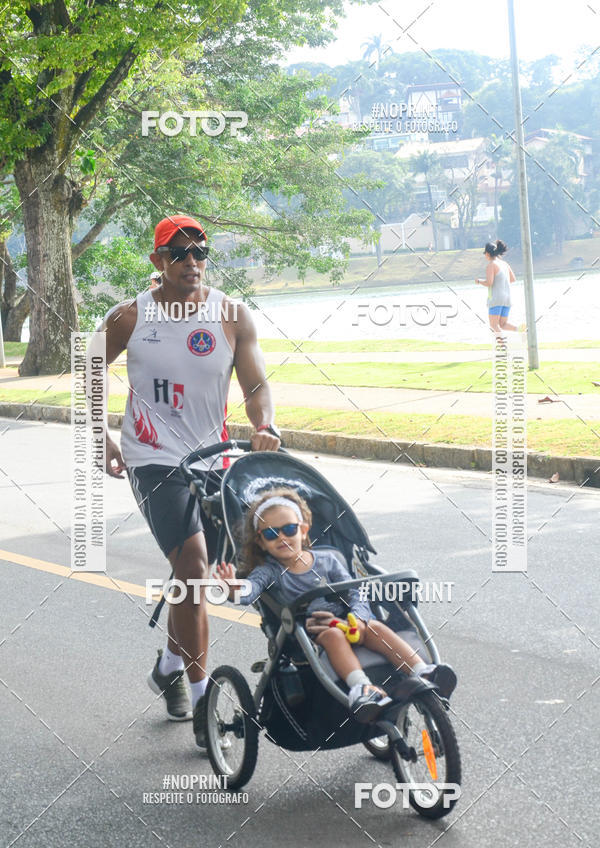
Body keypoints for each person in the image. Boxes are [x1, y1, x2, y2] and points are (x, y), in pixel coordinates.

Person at [99, 214, 280, 751]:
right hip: (152, 458)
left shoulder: (231, 315)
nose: (191, 262)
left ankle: (170, 666)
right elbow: (85, 372)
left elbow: (256, 385)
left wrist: (265, 424)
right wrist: (101, 436)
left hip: (214, 460)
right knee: (196, 568)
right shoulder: (129, 317)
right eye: (178, 253)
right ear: (156, 261)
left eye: (200, 252)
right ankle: (204, 705)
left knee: (199, 576)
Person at [215, 487, 457, 721]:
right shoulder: (268, 571)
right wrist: (232, 590)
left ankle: (421, 670)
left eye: (289, 529)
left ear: (303, 530)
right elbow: (250, 591)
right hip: (311, 632)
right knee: (333, 636)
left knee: (376, 628)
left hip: (349, 621)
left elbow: (354, 590)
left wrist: (359, 617)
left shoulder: (328, 560)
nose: (282, 538)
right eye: (271, 533)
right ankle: (361, 689)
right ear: (261, 541)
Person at [475, 239, 521, 335]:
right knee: (503, 324)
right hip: (507, 298)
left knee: (494, 325)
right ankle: (521, 330)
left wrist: (479, 281)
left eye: (485, 254)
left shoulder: (491, 265)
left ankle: (502, 347)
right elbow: (512, 279)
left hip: (496, 299)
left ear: (487, 254)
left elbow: (489, 283)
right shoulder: (504, 264)